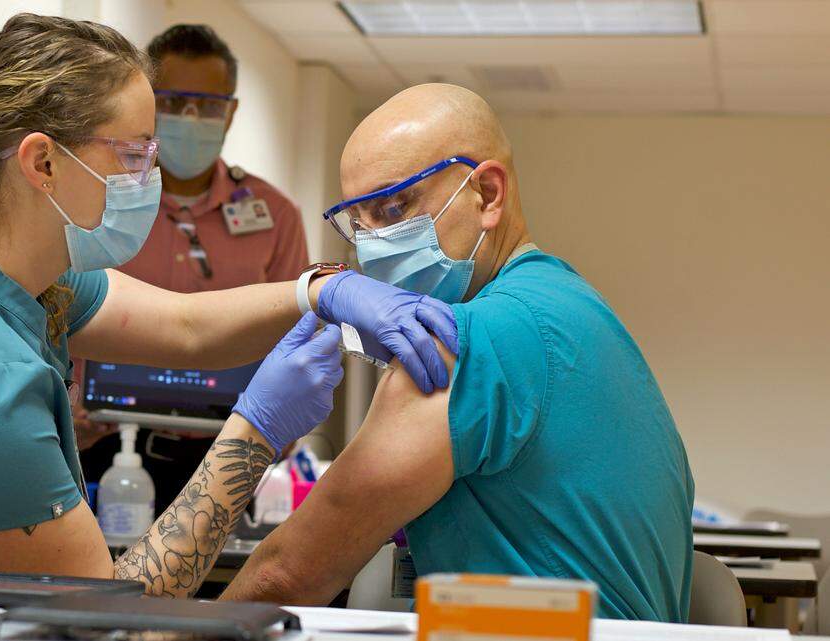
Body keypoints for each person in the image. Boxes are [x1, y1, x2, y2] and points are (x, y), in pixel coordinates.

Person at [0, 15, 458, 599]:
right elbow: (104, 616)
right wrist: (256, 430)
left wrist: (322, 290)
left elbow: (185, 325)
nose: (154, 176)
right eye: (133, 156)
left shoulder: (20, 278)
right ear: (42, 162)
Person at [221, 84, 695, 620]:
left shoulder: (461, 341)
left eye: (395, 206)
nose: (372, 244)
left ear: (488, 194)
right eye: (358, 222)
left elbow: (286, 576)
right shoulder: (575, 307)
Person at [76, 24, 309, 511]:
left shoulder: (275, 216)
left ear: (231, 112)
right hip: (102, 449)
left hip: (226, 454)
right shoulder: (104, 198)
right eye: (174, 100)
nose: (190, 116)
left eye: (208, 104)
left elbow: (297, 338)